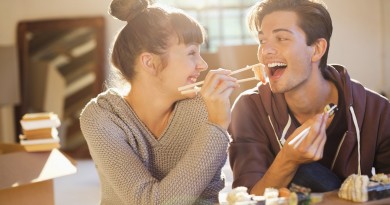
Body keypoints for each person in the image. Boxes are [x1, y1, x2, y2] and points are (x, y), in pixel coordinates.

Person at [79, 0, 239, 204]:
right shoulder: (102, 117)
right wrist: (216, 126)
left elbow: (207, 198)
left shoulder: (204, 106)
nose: (203, 64)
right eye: (191, 53)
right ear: (150, 62)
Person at [228, 0, 390, 196]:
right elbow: (247, 198)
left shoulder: (378, 111)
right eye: (262, 41)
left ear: (317, 49)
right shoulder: (248, 108)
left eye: (281, 38)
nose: (265, 51)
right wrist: (288, 159)